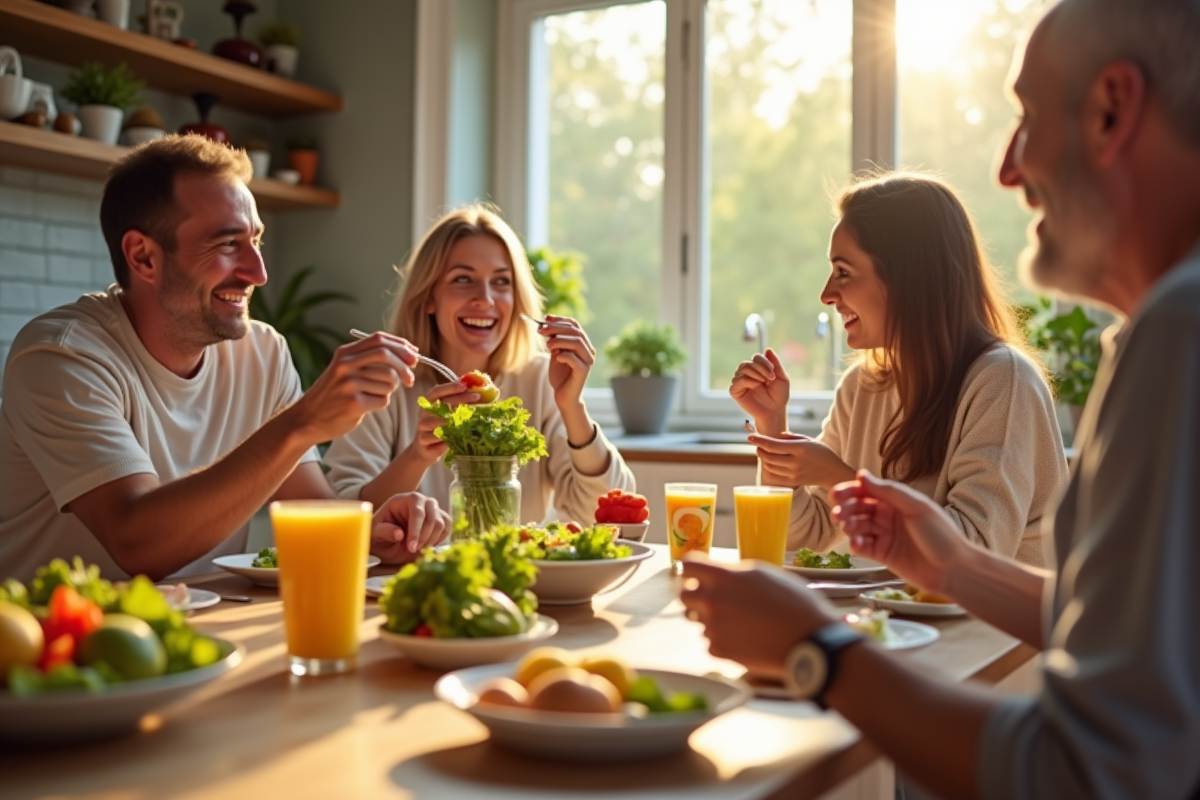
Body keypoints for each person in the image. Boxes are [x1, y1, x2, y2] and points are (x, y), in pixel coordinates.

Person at [682, 0, 1200, 797]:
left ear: (1112, 109)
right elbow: (1119, 632)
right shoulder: (1159, 331)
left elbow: (1096, 769)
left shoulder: (1174, 331)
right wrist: (949, 564)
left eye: (1028, 118)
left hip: (980, 679)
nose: (1007, 169)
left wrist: (817, 650)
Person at [0, 136, 449, 584]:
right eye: (229, 244)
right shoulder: (62, 356)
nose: (259, 273)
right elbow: (137, 544)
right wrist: (304, 421)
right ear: (143, 257)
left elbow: (311, 511)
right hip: (59, 627)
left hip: (208, 618)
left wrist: (376, 533)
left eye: (256, 240)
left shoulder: (262, 352)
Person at [731, 173, 1068, 566]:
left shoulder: (1003, 381)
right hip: (892, 607)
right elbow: (806, 538)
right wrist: (773, 425)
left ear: (908, 279)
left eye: (844, 272)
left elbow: (975, 552)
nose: (826, 294)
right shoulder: (862, 386)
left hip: (986, 610)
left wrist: (842, 479)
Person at [324, 205, 635, 524]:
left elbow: (606, 513)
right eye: (462, 279)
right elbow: (342, 513)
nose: (485, 299)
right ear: (428, 297)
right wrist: (417, 456)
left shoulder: (542, 380)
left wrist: (572, 406)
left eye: (501, 281)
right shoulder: (382, 386)